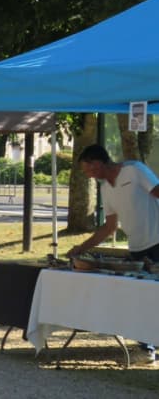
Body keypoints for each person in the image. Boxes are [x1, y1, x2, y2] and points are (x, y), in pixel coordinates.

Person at [68, 144, 159, 361]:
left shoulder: (134, 170)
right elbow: (109, 227)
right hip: (136, 249)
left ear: (98, 163)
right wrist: (81, 249)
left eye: (88, 169)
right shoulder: (106, 189)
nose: (88, 175)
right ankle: (147, 347)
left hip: (157, 241)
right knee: (139, 299)